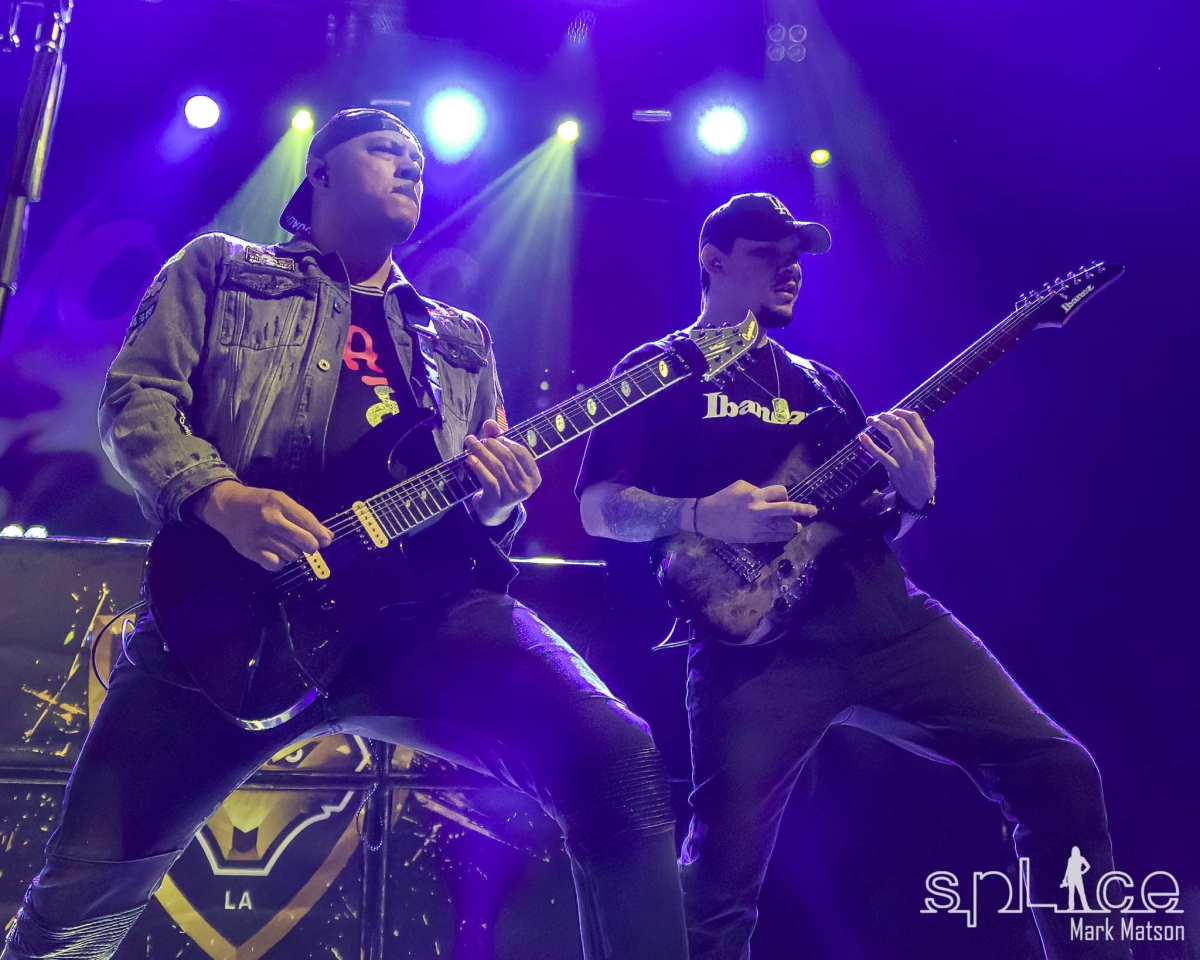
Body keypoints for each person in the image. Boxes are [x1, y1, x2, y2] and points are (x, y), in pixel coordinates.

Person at [1, 108, 687, 960]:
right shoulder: (222, 268)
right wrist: (220, 497)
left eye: (418, 156)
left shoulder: (458, 339)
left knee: (616, 757)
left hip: (427, 619)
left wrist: (496, 503)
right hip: (230, 619)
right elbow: (135, 401)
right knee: (77, 903)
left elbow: (484, 502)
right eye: (385, 147)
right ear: (318, 171)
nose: (410, 162)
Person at [575, 192, 1129, 960]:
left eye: (797, 256)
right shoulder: (655, 370)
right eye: (769, 253)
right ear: (713, 261)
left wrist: (916, 496)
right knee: (717, 887)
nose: (790, 269)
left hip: (885, 617)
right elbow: (598, 509)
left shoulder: (822, 384)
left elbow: (871, 524)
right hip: (755, 652)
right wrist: (703, 513)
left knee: (1057, 771)